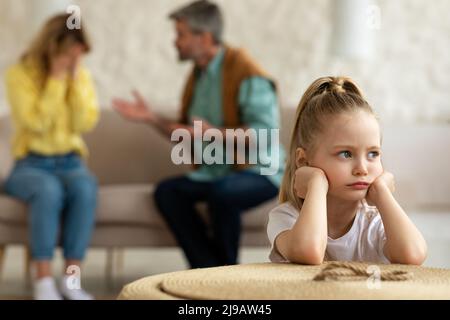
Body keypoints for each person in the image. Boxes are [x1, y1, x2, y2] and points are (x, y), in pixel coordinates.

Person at [112, 0, 285, 268]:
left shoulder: (245, 71)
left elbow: (266, 133)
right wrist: (151, 118)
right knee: (168, 192)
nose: (175, 41)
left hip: (260, 172)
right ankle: (208, 273)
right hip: (216, 172)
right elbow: (186, 133)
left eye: (181, 34)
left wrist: (213, 133)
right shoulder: (199, 77)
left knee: (223, 193)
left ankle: (223, 276)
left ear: (204, 38)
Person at [267, 76, 427, 265]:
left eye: (373, 154)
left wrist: (382, 192)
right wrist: (316, 184)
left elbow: (413, 255)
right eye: (346, 154)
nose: (362, 169)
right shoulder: (287, 218)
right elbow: (308, 251)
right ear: (303, 160)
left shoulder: (373, 221)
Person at [4, 14, 99, 299]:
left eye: (79, 56)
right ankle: (43, 281)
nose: (75, 61)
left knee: (85, 187)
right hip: (30, 165)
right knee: (48, 191)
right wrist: (56, 81)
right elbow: (35, 122)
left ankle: (71, 282)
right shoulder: (19, 74)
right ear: (54, 46)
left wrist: (75, 82)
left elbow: (84, 123)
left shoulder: (79, 76)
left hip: (71, 162)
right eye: (71, 54)